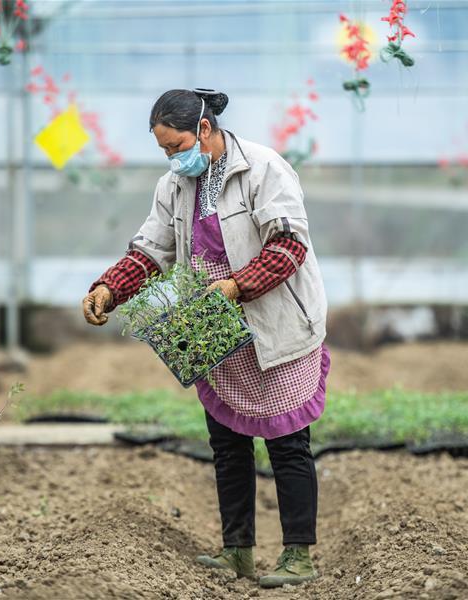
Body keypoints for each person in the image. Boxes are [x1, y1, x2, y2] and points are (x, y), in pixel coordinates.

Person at [81, 88, 330, 588]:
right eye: (164, 152)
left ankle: (298, 557)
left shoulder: (263, 169)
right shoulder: (175, 186)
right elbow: (152, 250)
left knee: (288, 445)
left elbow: (288, 246)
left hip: (277, 322)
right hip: (214, 326)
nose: (173, 158)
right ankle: (236, 551)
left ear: (204, 129)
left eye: (176, 147)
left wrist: (238, 285)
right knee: (227, 444)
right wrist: (110, 287)